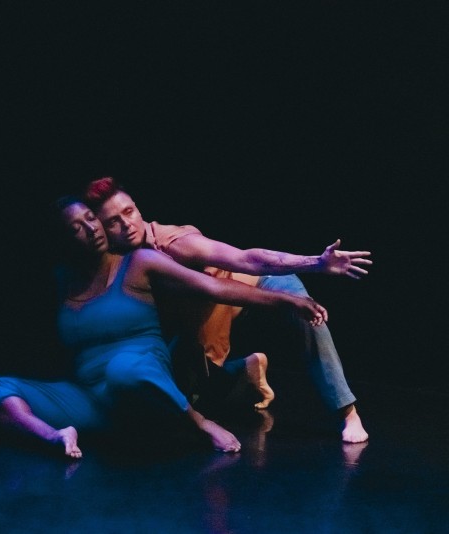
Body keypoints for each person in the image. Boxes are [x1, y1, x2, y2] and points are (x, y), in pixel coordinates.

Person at [0, 197, 328, 458]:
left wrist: (287, 300)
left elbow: (215, 287)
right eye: (76, 228)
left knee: (126, 368)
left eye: (91, 219)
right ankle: (54, 438)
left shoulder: (140, 262)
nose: (90, 228)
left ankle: (199, 423)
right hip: (90, 397)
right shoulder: (64, 280)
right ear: (64, 241)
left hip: (143, 380)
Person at [84, 177, 372, 443]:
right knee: (187, 403)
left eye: (129, 212)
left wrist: (316, 263)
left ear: (138, 208)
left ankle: (348, 413)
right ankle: (245, 371)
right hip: (207, 312)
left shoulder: (176, 244)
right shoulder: (119, 259)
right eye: (113, 222)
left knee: (310, 320)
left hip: (258, 284)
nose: (127, 224)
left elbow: (246, 259)